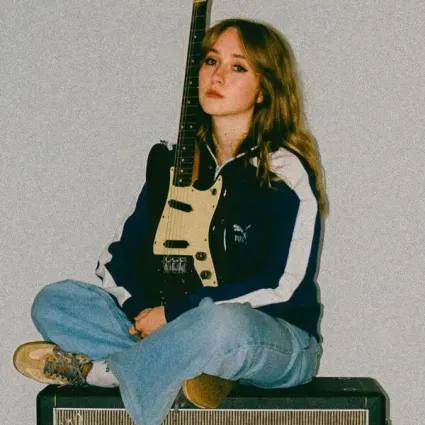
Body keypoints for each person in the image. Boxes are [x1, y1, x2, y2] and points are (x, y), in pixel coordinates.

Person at [13, 18, 328, 425]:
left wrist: (175, 315)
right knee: (56, 302)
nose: (217, 76)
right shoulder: (173, 165)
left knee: (220, 325)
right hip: (171, 330)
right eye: (211, 61)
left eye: (238, 66)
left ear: (265, 89)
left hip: (266, 339)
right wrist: (144, 313)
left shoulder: (283, 172)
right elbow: (115, 260)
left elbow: (283, 285)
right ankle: (182, 369)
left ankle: (107, 373)